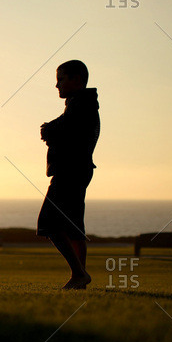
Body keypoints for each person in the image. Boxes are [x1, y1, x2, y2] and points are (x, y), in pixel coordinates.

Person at [37, 60, 100, 290]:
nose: (56, 85)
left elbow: (66, 129)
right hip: (78, 170)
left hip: (70, 171)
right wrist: (53, 130)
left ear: (76, 80)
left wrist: (48, 130)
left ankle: (78, 274)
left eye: (61, 79)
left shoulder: (82, 104)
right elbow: (65, 128)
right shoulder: (81, 104)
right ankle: (80, 277)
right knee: (74, 225)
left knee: (49, 223)